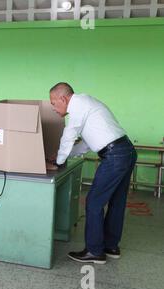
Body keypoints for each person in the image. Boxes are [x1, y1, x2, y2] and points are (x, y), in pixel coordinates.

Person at [48, 82, 137, 264]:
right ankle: (111, 246)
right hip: (125, 151)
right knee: (116, 201)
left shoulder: (78, 105)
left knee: (94, 202)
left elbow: (69, 135)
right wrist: (60, 156)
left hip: (115, 156)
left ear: (63, 98)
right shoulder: (87, 104)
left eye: (53, 102)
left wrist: (57, 162)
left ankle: (95, 251)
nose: (53, 107)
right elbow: (86, 144)